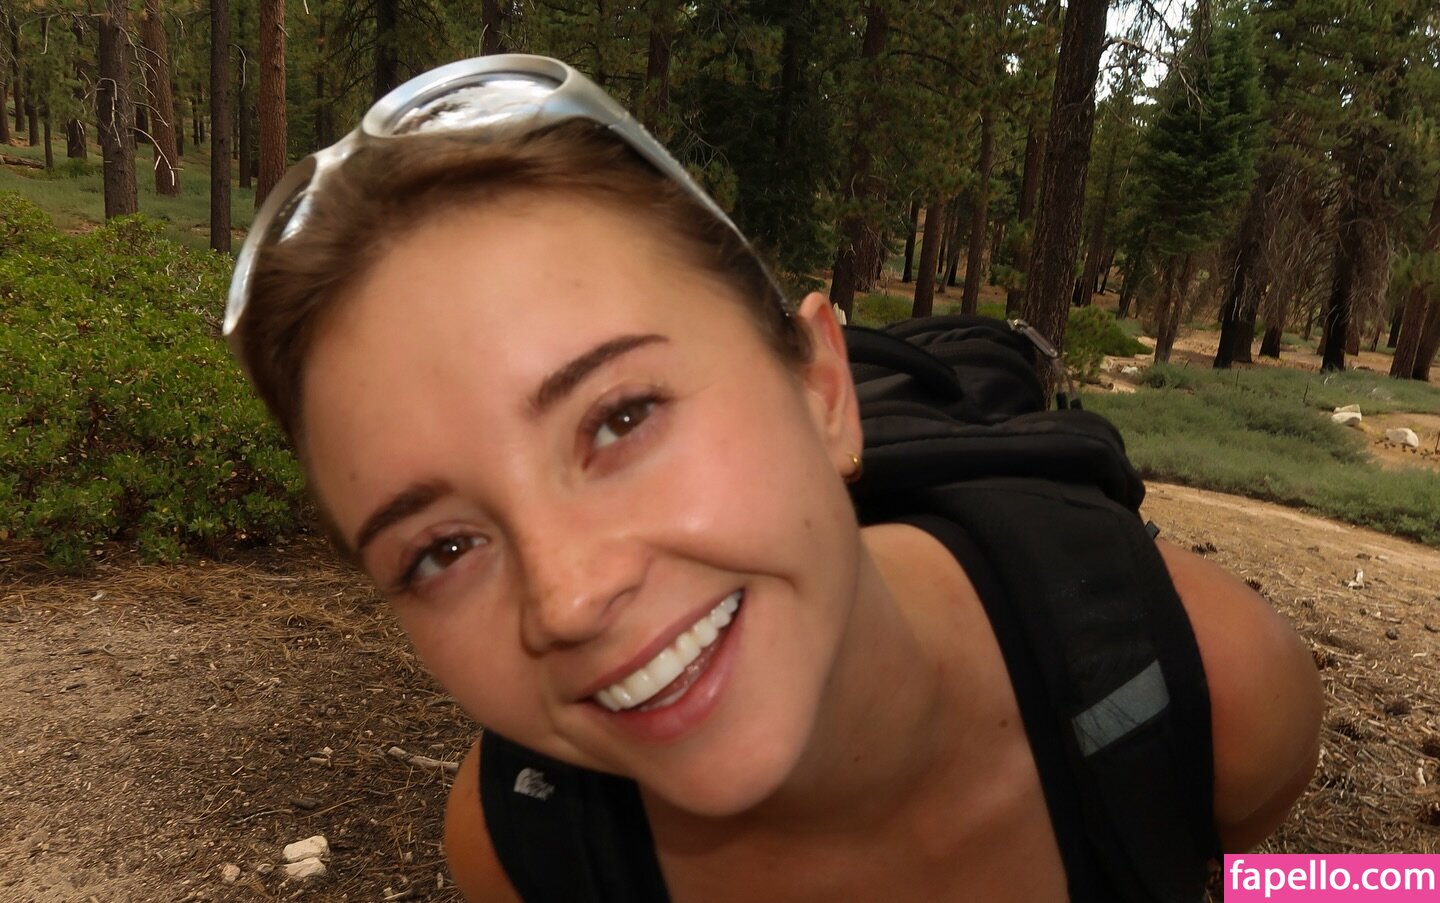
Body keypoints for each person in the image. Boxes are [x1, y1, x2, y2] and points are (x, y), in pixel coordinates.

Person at [225, 55, 1323, 902]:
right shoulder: (524, 845)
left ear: (821, 386)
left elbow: (1276, 883)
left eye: (620, 417)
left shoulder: (1212, 682)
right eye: (441, 550)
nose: (568, 598)